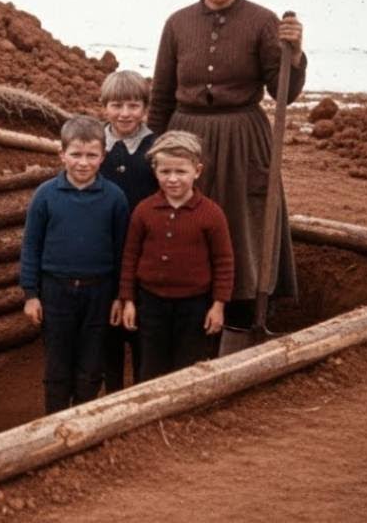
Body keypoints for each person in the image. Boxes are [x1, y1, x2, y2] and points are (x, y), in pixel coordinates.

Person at [148, 0, 306, 331]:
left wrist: (296, 53)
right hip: (188, 136)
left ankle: (245, 309)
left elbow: (282, 92)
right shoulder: (178, 23)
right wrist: (154, 147)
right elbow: (162, 93)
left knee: (243, 223)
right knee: (187, 214)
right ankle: (190, 304)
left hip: (243, 138)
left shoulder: (262, 21)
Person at [19, 115, 130, 413]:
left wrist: (121, 296)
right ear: (62, 154)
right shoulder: (45, 196)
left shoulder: (115, 198)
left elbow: (123, 251)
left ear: (103, 157)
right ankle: (54, 422)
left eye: (91, 155)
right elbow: (31, 246)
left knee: (92, 362)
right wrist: (31, 295)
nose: (83, 162)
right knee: (58, 360)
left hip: (100, 292)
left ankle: (83, 419)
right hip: (56, 290)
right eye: (76, 154)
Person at [118, 131, 234, 381]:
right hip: (150, 303)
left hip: (194, 306)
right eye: (165, 172)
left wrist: (218, 305)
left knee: (188, 367)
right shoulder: (144, 211)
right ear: (155, 171)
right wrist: (128, 300)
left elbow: (224, 262)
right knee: (149, 365)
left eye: (181, 172)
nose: (173, 179)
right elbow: (130, 257)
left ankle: (184, 416)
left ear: (197, 171)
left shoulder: (212, 214)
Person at [98, 70, 158, 392]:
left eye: (133, 106)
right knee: (109, 327)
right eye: (117, 105)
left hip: (144, 251)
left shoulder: (154, 147)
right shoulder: (96, 148)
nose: (125, 114)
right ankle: (112, 394)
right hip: (106, 250)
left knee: (141, 326)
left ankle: (142, 393)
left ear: (145, 109)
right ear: (104, 107)